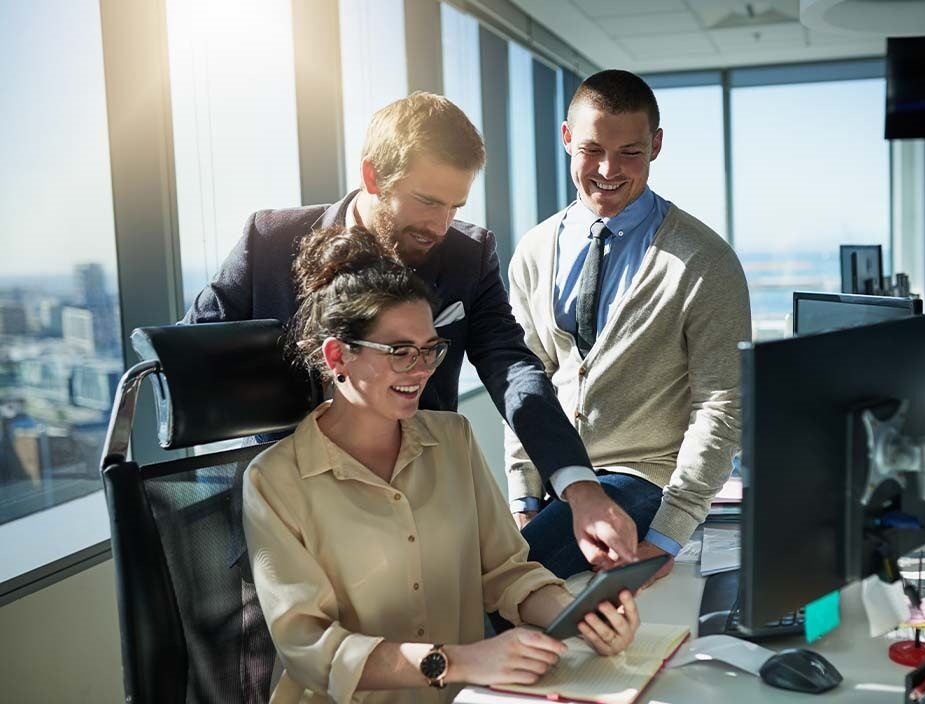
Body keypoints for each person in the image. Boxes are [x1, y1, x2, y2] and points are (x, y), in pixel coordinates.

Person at [184, 92, 636, 573]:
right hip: (288, 521)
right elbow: (192, 362)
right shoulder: (270, 241)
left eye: (455, 206)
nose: (440, 226)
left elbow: (512, 367)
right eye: (426, 201)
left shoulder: (469, 254)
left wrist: (578, 485)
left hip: (416, 523)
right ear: (372, 175)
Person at [243, 226, 640, 704]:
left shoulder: (453, 439)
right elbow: (311, 649)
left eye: (431, 348)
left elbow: (505, 572)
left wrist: (579, 612)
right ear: (338, 355)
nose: (422, 368)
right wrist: (461, 661)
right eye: (400, 352)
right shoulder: (273, 481)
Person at [507, 70, 752, 581]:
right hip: (562, 478)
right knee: (484, 569)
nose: (608, 169)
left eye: (631, 152)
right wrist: (524, 494)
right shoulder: (534, 250)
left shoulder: (705, 261)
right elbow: (528, 380)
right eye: (592, 149)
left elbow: (721, 405)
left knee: (512, 580)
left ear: (656, 145)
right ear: (566, 138)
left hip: (643, 480)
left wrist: (667, 535)